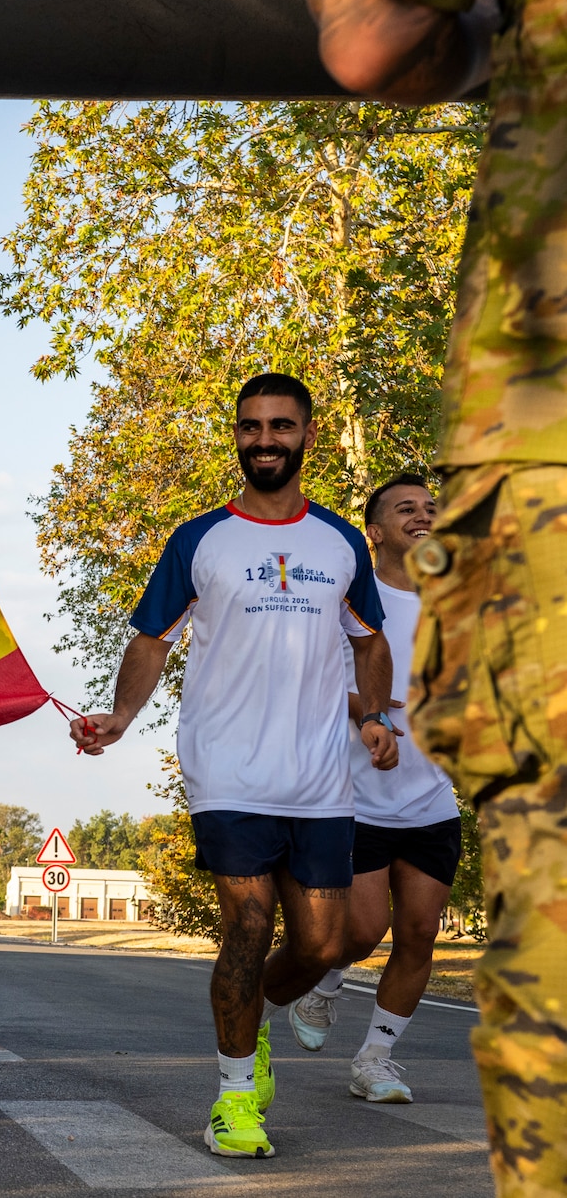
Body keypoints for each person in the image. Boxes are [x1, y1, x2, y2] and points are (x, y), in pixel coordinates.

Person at [298, 0, 567, 1190]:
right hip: (370, 783)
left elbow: (371, 34)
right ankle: (308, 995)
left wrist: (501, 42)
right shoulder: (355, 576)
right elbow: (345, 661)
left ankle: (379, 1049)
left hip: (549, 414)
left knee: (494, 931)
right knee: (352, 925)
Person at [70, 373, 399, 1160]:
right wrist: (120, 714)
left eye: (280, 426)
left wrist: (377, 717)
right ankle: (231, 1095)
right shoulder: (199, 539)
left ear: (308, 435)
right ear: (237, 435)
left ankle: (252, 1027)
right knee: (249, 925)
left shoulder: (341, 542)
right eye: (250, 427)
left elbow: (370, 641)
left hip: (319, 774)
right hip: (226, 769)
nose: (263, 440)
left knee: (329, 942)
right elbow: (152, 638)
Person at [288, 474, 460, 1106]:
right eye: (405, 508)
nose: (423, 516)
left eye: (431, 508)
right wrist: (379, 709)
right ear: (377, 531)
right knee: (360, 932)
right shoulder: (350, 602)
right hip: (354, 795)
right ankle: (325, 982)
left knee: (419, 933)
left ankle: (376, 1059)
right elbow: (323, 685)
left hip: (430, 798)